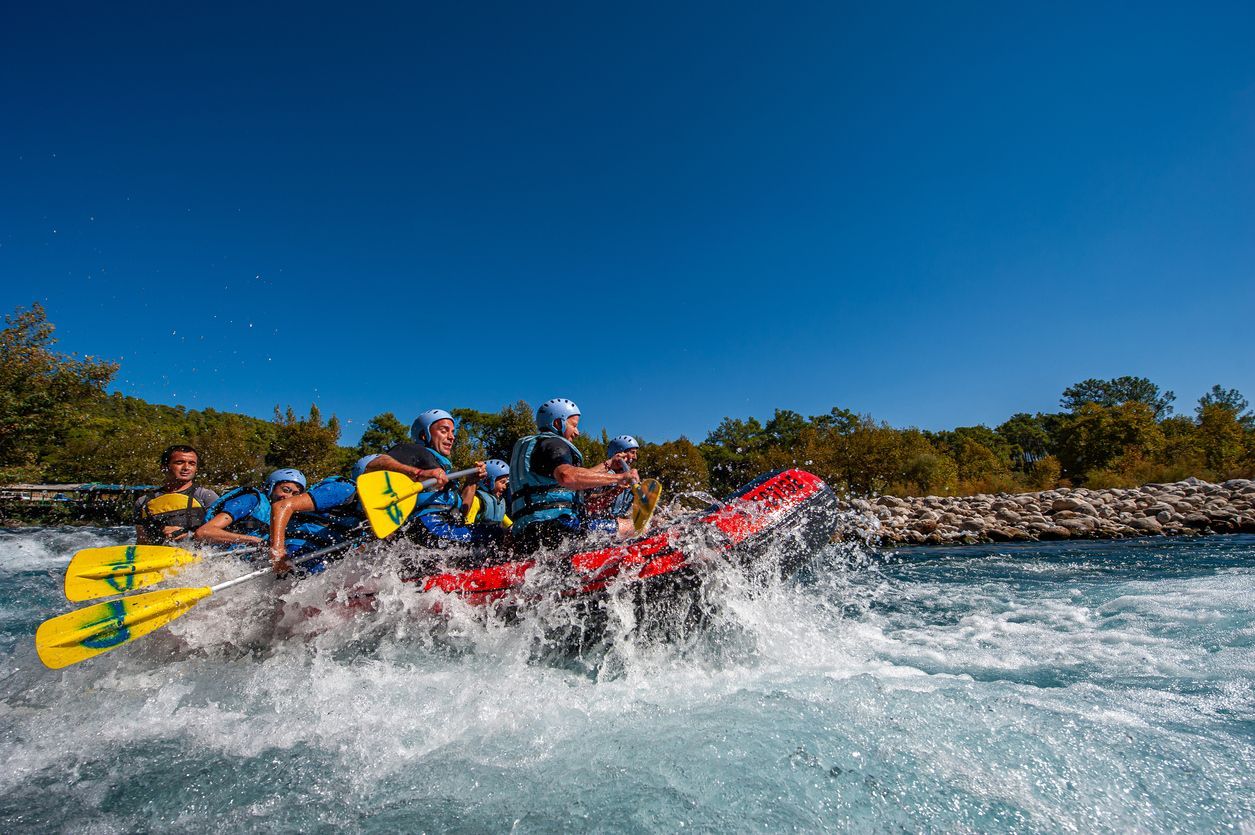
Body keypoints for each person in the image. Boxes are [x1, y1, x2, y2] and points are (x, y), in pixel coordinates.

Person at [508, 398, 639, 553]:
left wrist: (609, 464)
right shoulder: (553, 444)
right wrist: (620, 477)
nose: (577, 432)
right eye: (574, 425)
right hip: (558, 527)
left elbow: (578, 477)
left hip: (530, 531)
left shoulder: (539, 446)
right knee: (634, 526)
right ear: (558, 423)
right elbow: (567, 477)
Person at [364, 409, 490, 547]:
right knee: (494, 535)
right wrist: (420, 473)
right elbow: (373, 465)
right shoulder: (414, 451)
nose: (451, 437)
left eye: (452, 432)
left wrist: (471, 483)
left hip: (446, 526)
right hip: (427, 527)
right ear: (424, 435)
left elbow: (462, 514)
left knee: (491, 532)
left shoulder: (445, 468)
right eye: (444, 431)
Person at [265, 455, 376, 573]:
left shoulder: (371, 511)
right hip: (301, 549)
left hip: (324, 557)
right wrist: (277, 552)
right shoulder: (344, 489)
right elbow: (281, 506)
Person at [194, 468, 307, 550]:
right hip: (219, 557)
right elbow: (204, 532)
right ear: (271, 487)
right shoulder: (250, 501)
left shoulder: (289, 515)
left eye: (295, 494)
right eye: (285, 490)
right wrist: (252, 540)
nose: (289, 497)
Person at [134, 445, 219, 544]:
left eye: (192, 464)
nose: (186, 468)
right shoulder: (143, 502)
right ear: (164, 467)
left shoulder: (206, 496)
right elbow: (142, 541)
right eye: (179, 462)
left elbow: (223, 533)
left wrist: (189, 535)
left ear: (196, 469)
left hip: (198, 555)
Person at [584, 435, 640, 520]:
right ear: (620, 453)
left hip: (616, 523)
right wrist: (614, 492)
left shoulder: (629, 478)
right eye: (632, 452)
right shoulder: (605, 475)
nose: (635, 457)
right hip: (597, 523)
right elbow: (588, 502)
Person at [465, 459, 511, 526]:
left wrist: (511, 527)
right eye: (502, 482)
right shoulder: (477, 500)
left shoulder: (498, 501)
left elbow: (502, 515)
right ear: (489, 482)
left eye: (506, 483)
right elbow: (467, 523)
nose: (505, 487)